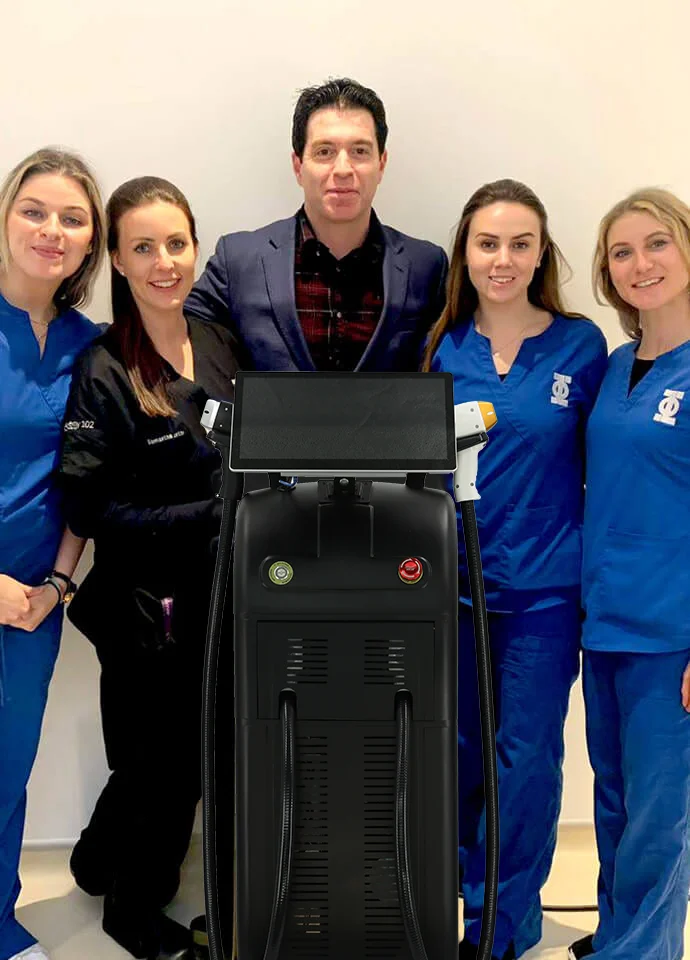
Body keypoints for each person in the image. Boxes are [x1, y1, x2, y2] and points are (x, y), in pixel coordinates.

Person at [423, 179, 608, 960]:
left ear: (541, 254)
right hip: (455, 590)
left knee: (524, 761)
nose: (503, 259)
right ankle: (467, 899)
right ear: (465, 254)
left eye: (520, 243)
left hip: (545, 595)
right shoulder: (440, 348)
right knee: (460, 755)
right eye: (488, 243)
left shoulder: (580, 347)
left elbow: (610, 461)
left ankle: (502, 924)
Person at [58, 177, 238, 960]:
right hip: (142, 605)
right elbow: (89, 506)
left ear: (195, 246)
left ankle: (96, 861)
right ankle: (131, 912)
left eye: (176, 243)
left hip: (216, 593)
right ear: (118, 261)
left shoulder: (217, 341)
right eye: (143, 247)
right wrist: (208, 515)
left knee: (181, 756)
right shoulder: (104, 368)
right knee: (156, 764)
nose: (164, 261)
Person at [569, 188, 690, 960]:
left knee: (657, 816)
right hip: (606, 620)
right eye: (621, 252)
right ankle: (621, 934)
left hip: (671, 633)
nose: (640, 263)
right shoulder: (615, 368)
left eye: (656, 243)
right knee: (613, 801)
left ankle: (643, 952)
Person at [0, 147, 105, 960]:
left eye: (72, 218)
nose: (51, 230)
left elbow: (86, 477)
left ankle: (0, 922)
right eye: (34, 211)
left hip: (36, 598)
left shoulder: (88, 345)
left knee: (9, 768)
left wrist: (59, 584)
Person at [185, 77, 447, 371]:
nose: (343, 169)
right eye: (325, 152)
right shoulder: (238, 261)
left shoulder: (427, 267)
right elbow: (179, 333)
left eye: (360, 151)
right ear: (298, 166)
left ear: (381, 164)